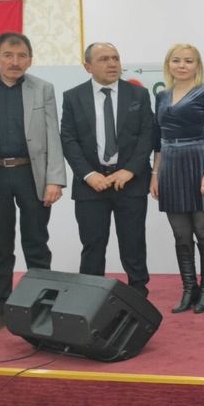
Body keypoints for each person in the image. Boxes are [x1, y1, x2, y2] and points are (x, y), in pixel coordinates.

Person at [0, 32, 64, 335]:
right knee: (0, 247)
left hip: (31, 174)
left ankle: (43, 309)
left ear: (30, 59)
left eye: (22, 55)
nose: (15, 61)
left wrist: (55, 179)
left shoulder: (43, 89)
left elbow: (52, 135)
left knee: (37, 243)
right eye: (8, 55)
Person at [60, 42, 153, 297]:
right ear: (87, 66)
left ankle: (138, 295)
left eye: (115, 58)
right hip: (91, 184)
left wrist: (130, 170)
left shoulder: (138, 95)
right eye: (103, 59)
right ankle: (89, 298)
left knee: (133, 243)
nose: (112, 64)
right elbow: (68, 139)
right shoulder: (73, 97)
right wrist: (89, 175)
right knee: (93, 245)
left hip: (130, 182)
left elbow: (147, 135)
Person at [151, 44, 204, 314]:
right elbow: (158, 138)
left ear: (197, 66)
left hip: (200, 162)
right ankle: (189, 289)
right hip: (170, 166)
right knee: (181, 234)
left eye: (188, 61)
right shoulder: (161, 96)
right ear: (168, 64)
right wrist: (155, 174)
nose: (182, 65)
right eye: (176, 60)